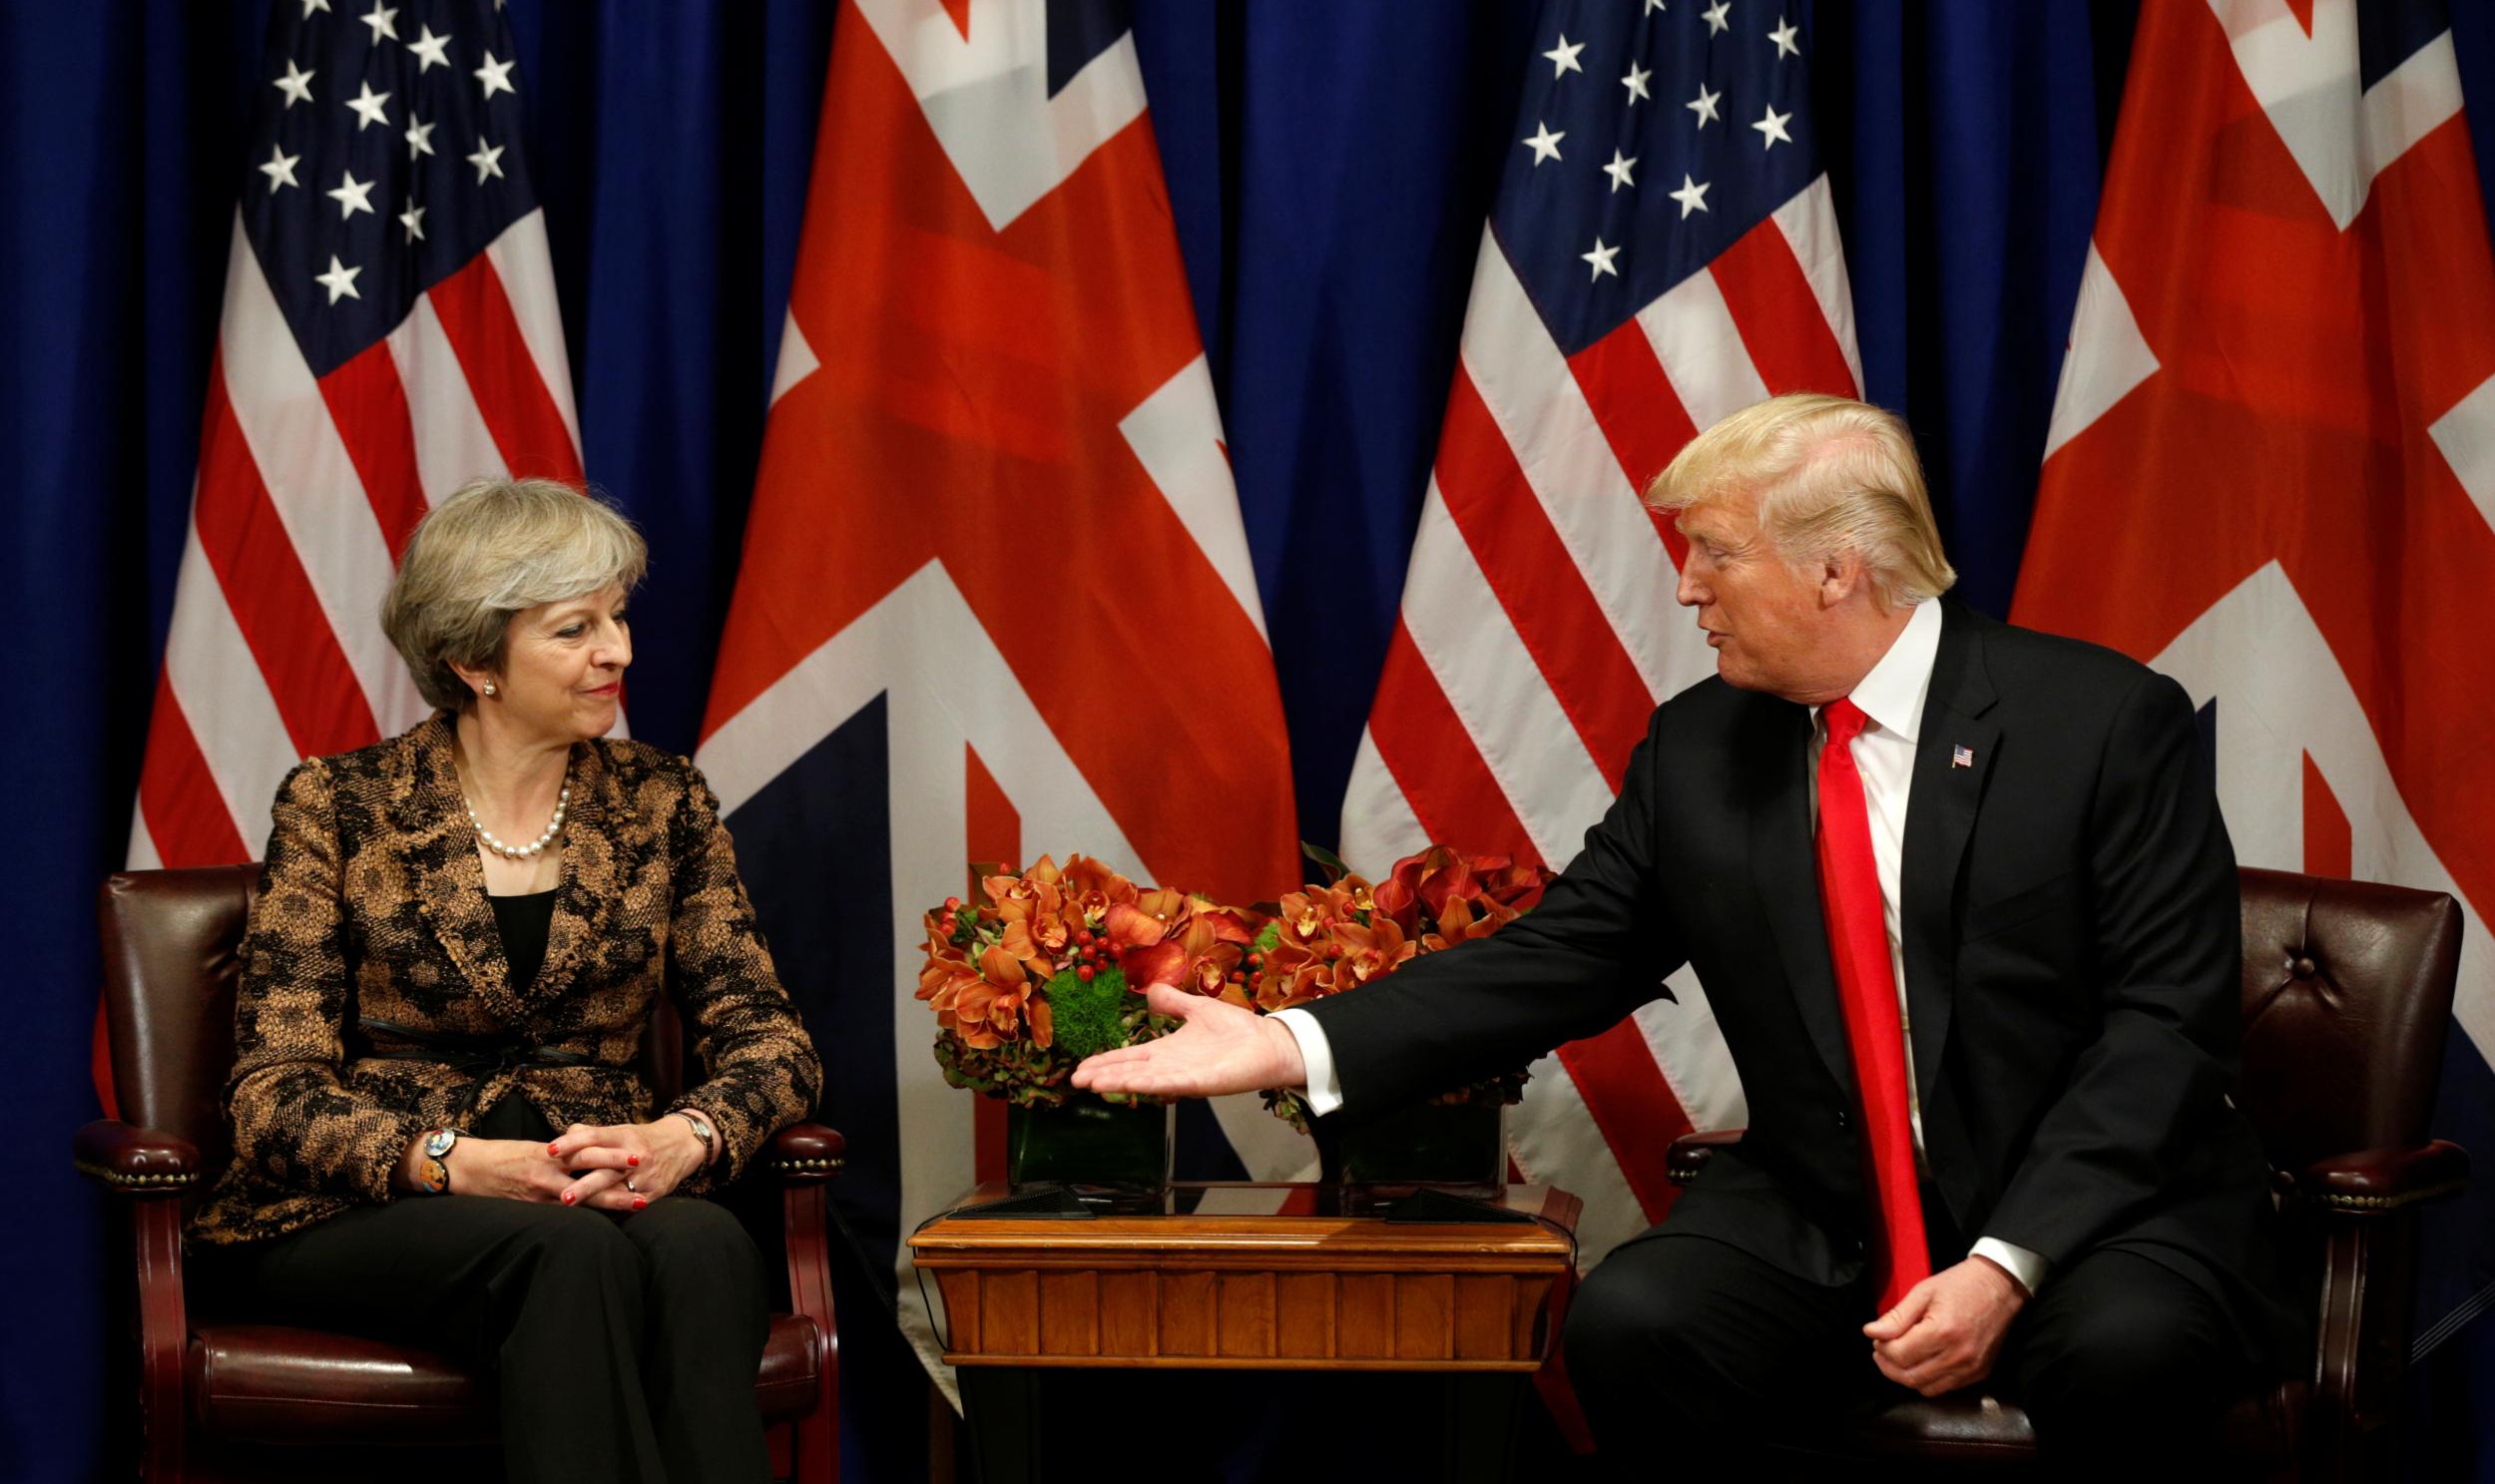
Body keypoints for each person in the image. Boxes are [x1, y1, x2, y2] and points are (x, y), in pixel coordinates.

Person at [1074, 393, 2297, 1471]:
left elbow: (2163, 1034)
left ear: (1837, 571)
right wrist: (1290, 1043)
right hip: (1831, 1201)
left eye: (1714, 552)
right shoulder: (1702, 745)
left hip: (2096, 1208)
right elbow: (1566, 953)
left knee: (2126, 1352)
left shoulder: (2101, 723)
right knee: (1639, 1322)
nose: (1684, 587)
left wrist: (2003, 1263)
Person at [188, 477, 824, 1484]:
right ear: (474, 659)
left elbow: (770, 1042)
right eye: (574, 628)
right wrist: (449, 1161)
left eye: (615, 616)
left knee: (704, 1247)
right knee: (568, 1257)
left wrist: (680, 1137)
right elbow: (274, 1096)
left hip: (595, 1180)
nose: (615, 648)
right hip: (368, 1204)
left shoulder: (663, 800)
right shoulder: (340, 804)